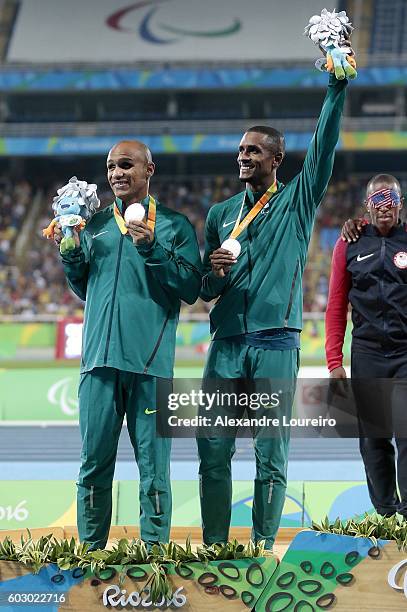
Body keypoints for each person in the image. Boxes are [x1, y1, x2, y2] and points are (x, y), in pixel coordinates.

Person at [197, 70, 348, 550]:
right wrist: (213, 273)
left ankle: (262, 545)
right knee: (214, 450)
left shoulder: (298, 200)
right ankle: (217, 546)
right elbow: (203, 288)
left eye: (254, 151)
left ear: (277, 159)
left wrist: (336, 87)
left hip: (275, 341)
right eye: (241, 150)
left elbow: (323, 149)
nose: (244, 157)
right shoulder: (221, 214)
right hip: (225, 345)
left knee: (270, 452)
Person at [55, 140, 202, 549]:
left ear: (149, 170)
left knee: (154, 471)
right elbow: (86, 288)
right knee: (93, 467)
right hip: (98, 364)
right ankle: (90, 555)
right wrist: (71, 254)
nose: (117, 173)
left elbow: (192, 288)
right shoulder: (95, 225)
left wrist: (152, 247)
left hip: (151, 367)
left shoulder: (174, 225)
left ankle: (155, 556)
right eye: (111, 166)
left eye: (126, 165)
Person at [325, 174, 407, 518]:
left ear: (401, 203)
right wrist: (334, 362)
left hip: (406, 355)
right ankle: (387, 513)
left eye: (391, 199)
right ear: (366, 206)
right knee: (374, 440)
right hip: (368, 355)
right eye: (377, 200)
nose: (385, 206)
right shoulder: (350, 242)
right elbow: (335, 303)